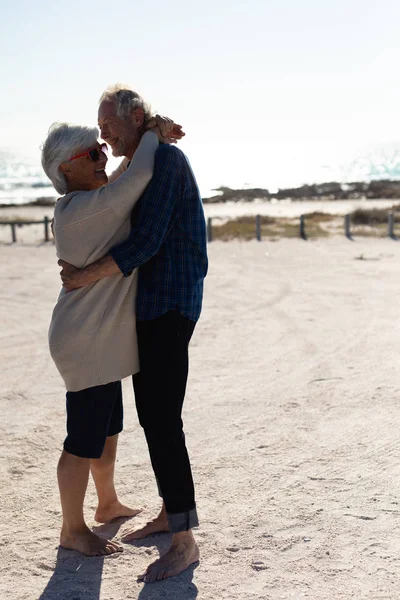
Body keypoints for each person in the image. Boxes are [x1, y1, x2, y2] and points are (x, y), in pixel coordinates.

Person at [59, 84, 209, 582]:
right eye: (98, 130)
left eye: (108, 126)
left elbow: (145, 241)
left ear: (135, 117)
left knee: (163, 418)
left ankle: (184, 541)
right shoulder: (146, 158)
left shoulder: (165, 161)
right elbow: (119, 190)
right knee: (153, 415)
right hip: (150, 306)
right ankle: (170, 513)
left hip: (170, 303)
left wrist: (83, 276)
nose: (103, 136)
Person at [42, 116, 181, 557]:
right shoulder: (83, 209)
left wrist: (144, 142)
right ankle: (72, 528)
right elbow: (135, 176)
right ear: (67, 168)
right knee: (82, 438)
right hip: (85, 341)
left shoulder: (92, 200)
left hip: (98, 338)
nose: (104, 156)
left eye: (104, 148)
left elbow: (119, 180)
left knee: (108, 429)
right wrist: (154, 135)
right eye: (93, 153)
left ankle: (106, 503)